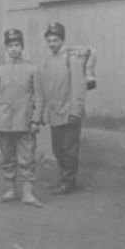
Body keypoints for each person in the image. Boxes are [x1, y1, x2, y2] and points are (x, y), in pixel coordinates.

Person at [0, 29, 43, 207]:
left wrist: (35, 119)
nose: (14, 49)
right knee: (7, 158)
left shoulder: (32, 69)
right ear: (6, 48)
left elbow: (39, 96)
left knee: (26, 158)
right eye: (10, 45)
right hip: (4, 123)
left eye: (17, 45)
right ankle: (10, 189)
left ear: (22, 47)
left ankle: (28, 193)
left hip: (25, 122)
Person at [39, 22, 86, 195]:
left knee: (69, 149)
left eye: (55, 40)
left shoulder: (71, 59)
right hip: (55, 113)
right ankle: (63, 178)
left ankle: (69, 182)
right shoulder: (49, 60)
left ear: (62, 39)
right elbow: (46, 87)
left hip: (69, 112)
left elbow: (78, 86)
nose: (52, 44)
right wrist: (44, 112)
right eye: (49, 41)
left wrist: (75, 110)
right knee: (58, 148)